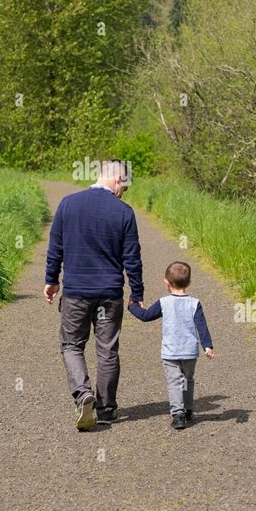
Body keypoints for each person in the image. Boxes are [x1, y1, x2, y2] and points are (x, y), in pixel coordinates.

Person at [44, 160, 144, 431]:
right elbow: (132, 258)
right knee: (107, 349)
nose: (125, 190)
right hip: (109, 293)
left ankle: (82, 393)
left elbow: (56, 247)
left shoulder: (68, 204)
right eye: (125, 184)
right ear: (117, 179)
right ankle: (107, 408)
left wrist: (51, 280)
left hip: (76, 292)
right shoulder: (124, 212)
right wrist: (137, 293)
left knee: (72, 345)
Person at [128, 261, 214, 430]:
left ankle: (178, 414)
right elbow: (201, 326)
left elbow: (145, 316)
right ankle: (188, 409)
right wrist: (207, 346)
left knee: (175, 382)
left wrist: (132, 307)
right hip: (190, 352)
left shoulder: (163, 302)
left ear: (166, 282)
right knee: (188, 380)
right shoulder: (194, 303)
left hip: (171, 352)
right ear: (189, 283)